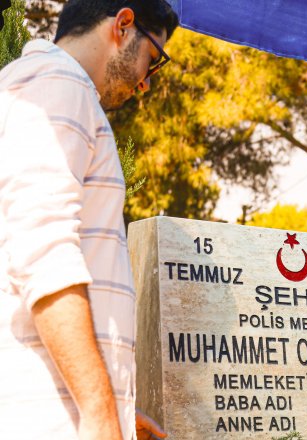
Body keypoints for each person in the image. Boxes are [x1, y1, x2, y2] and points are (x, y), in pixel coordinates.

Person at [0, 1, 178, 439]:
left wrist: (120, 409)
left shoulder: (47, 85)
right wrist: (99, 414)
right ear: (123, 24)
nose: (146, 84)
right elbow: (44, 253)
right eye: (152, 60)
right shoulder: (56, 82)